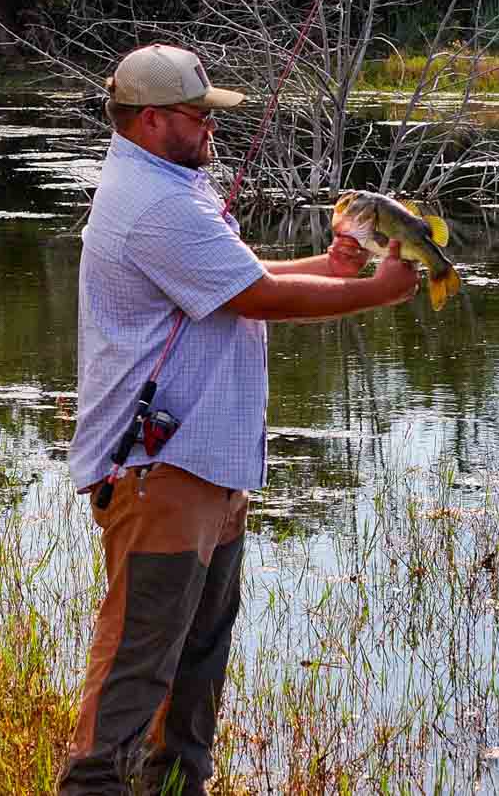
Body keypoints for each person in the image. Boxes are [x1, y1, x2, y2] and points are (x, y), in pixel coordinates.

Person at [59, 44, 419, 794]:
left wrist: (327, 269)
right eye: (199, 115)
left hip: (206, 472)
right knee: (139, 664)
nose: (211, 127)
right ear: (152, 119)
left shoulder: (169, 181)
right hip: (165, 477)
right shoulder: (156, 202)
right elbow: (257, 299)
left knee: (195, 672)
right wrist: (379, 292)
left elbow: (237, 276)